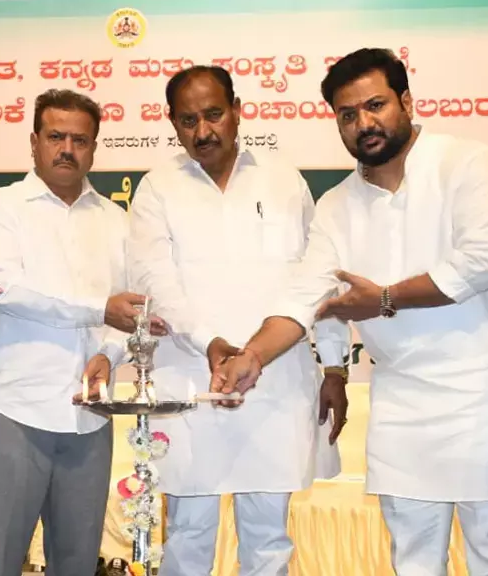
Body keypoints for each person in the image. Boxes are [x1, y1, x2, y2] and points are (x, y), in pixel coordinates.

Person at [214, 48, 488, 575]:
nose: (364, 123)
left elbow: (484, 263)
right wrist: (253, 356)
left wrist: (385, 298)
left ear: (406, 101)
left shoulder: (465, 162)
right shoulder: (337, 205)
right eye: (348, 114)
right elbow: (305, 296)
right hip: (401, 403)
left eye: (375, 105)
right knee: (413, 562)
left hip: (485, 396)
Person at [125, 65, 350, 575]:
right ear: (171, 123)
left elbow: (319, 278)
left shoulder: (283, 179)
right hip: (190, 384)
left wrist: (335, 367)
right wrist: (210, 342)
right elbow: (156, 283)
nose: (203, 131)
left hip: (277, 384)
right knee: (187, 535)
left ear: (237, 110)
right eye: (188, 121)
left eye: (213, 115)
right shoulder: (157, 189)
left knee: (269, 541)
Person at [0, 89, 165, 576]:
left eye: (80, 140)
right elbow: (5, 290)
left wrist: (110, 355)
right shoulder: (0, 207)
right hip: (14, 411)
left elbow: (134, 307)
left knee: (76, 565)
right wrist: (99, 309)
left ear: (94, 147)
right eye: (56, 137)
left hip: (89, 419)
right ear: (34, 141)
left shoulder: (116, 220)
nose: (67, 150)